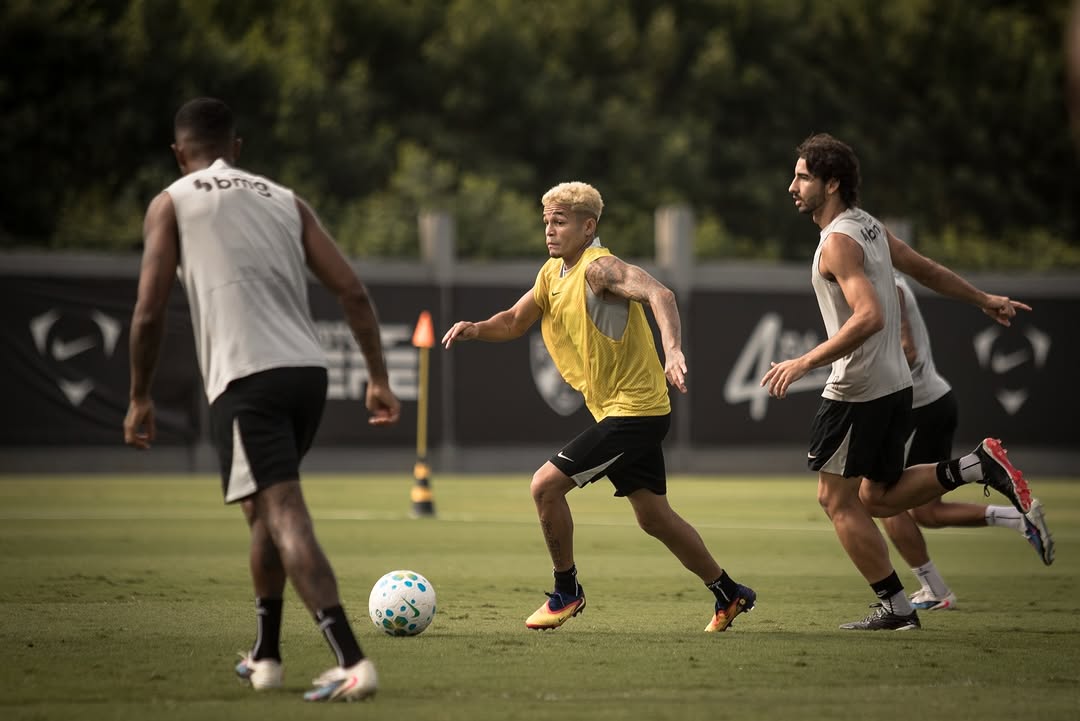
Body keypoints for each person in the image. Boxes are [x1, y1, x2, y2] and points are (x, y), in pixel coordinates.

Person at [124, 97, 401, 701]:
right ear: (237, 147)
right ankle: (266, 655)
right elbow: (352, 291)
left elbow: (148, 311)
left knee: (282, 510)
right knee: (263, 511)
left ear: (179, 153)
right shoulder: (284, 199)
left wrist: (140, 394)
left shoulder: (173, 200)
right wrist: (378, 377)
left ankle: (352, 662)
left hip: (246, 377)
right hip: (307, 374)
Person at [762, 132, 1053, 631]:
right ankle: (974, 466)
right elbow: (926, 270)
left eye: (803, 177)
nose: (792, 186)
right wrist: (983, 299)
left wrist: (805, 361)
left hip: (858, 389)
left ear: (831, 184)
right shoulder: (868, 226)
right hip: (896, 387)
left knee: (835, 500)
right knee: (877, 498)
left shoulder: (839, 241)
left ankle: (896, 606)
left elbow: (870, 315)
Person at [442, 181, 755, 633]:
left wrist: (673, 350)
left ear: (588, 227)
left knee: (544, 487)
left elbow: (661, 295)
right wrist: (475, 328)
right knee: (654, 518)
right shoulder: (552, 273)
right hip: (619, 411)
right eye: (546, 221)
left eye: (560, 221)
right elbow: (512, 321)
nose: (549, 230)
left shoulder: (599, 269)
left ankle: (566, 590)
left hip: (636, 412)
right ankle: (728, 592)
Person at [881, 271, 1054, 612]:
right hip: (932, 401)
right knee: (927, 512)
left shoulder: (885, 282)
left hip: (916, 405)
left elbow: (908, 351)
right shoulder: (881, 278)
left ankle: (935, 589)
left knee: (881, 498)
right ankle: (1019, 519)